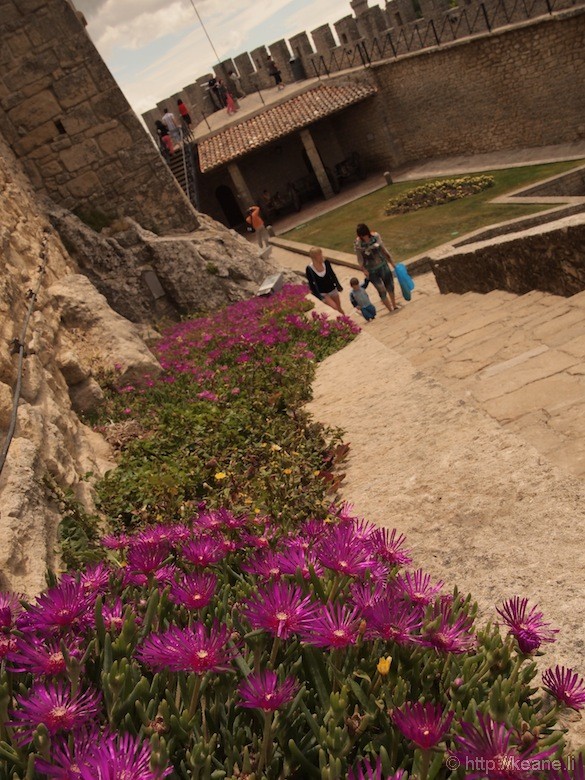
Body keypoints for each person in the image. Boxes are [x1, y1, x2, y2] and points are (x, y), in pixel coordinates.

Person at [354, 223, 399, 313]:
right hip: (371, 270)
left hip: (382, 265)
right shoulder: (358, 243)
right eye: (363, 236)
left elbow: (383, 249)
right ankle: (389, 308)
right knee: (381, 289)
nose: (365, 237)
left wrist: (392, 262)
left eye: (365, 235)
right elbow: (359, 258)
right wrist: (363, 269)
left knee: (389, 285)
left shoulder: (376, 236)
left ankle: (394, 305)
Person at [305, 247, 345, 315]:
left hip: (332, 289)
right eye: (319, 254)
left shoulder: (326, 262)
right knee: (334, 307)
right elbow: (311, 284)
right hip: (323, 293)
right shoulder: (309, 269)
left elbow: (332, 274)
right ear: (314, 257)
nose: (321, 256)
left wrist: (338, 285)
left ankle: (346, 320)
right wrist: (318, 296)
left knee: (339, 308)